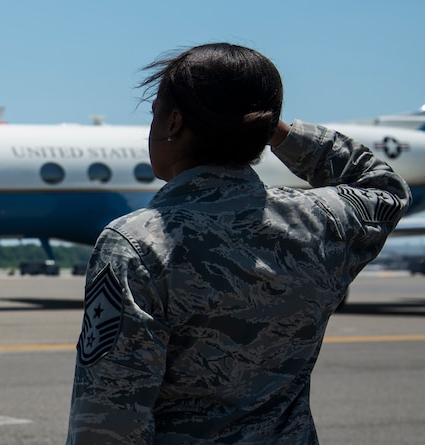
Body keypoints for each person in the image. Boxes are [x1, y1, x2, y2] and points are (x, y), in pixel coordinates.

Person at [66, 43, 411, 444]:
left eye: (155, 112)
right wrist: (282, 133)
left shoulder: (136, 243)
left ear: (173, 122)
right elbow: (383, 187)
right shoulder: (321, 222)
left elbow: (108, 420)